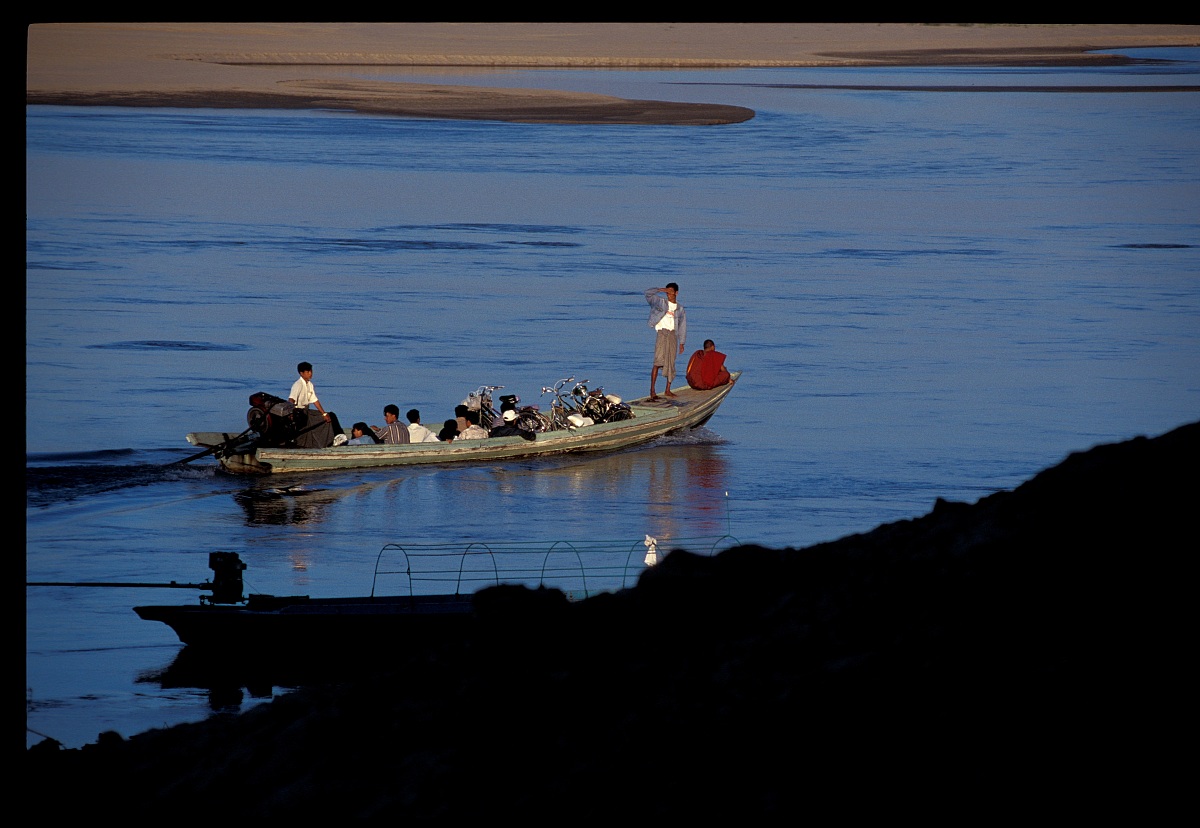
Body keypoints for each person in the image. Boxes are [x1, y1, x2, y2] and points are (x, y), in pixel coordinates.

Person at [645, 283, 686, 401]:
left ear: (676, 293)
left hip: (673, 335)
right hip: (662, 334)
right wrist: (659, 289)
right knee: (657, 362)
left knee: (671, 363)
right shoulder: (660, 302)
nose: (668, 295)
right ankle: (652, 390)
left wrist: (682, 342)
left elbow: (682, 326)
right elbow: (647, 294)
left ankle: (668, 390)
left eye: (671, 292)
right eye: (667, 292)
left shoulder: (680, 309)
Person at [288, 361, 343, 448]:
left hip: (306, 411)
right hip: (299, 413)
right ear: (301, 373)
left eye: (311, 371)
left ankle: (337, 437)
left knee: (330, 416)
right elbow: (291, 399)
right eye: (308, 372)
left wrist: (324, 413)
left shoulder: (310, 384)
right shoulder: (298, 385)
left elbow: (315, 400)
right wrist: (291, 413)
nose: (310, 374)